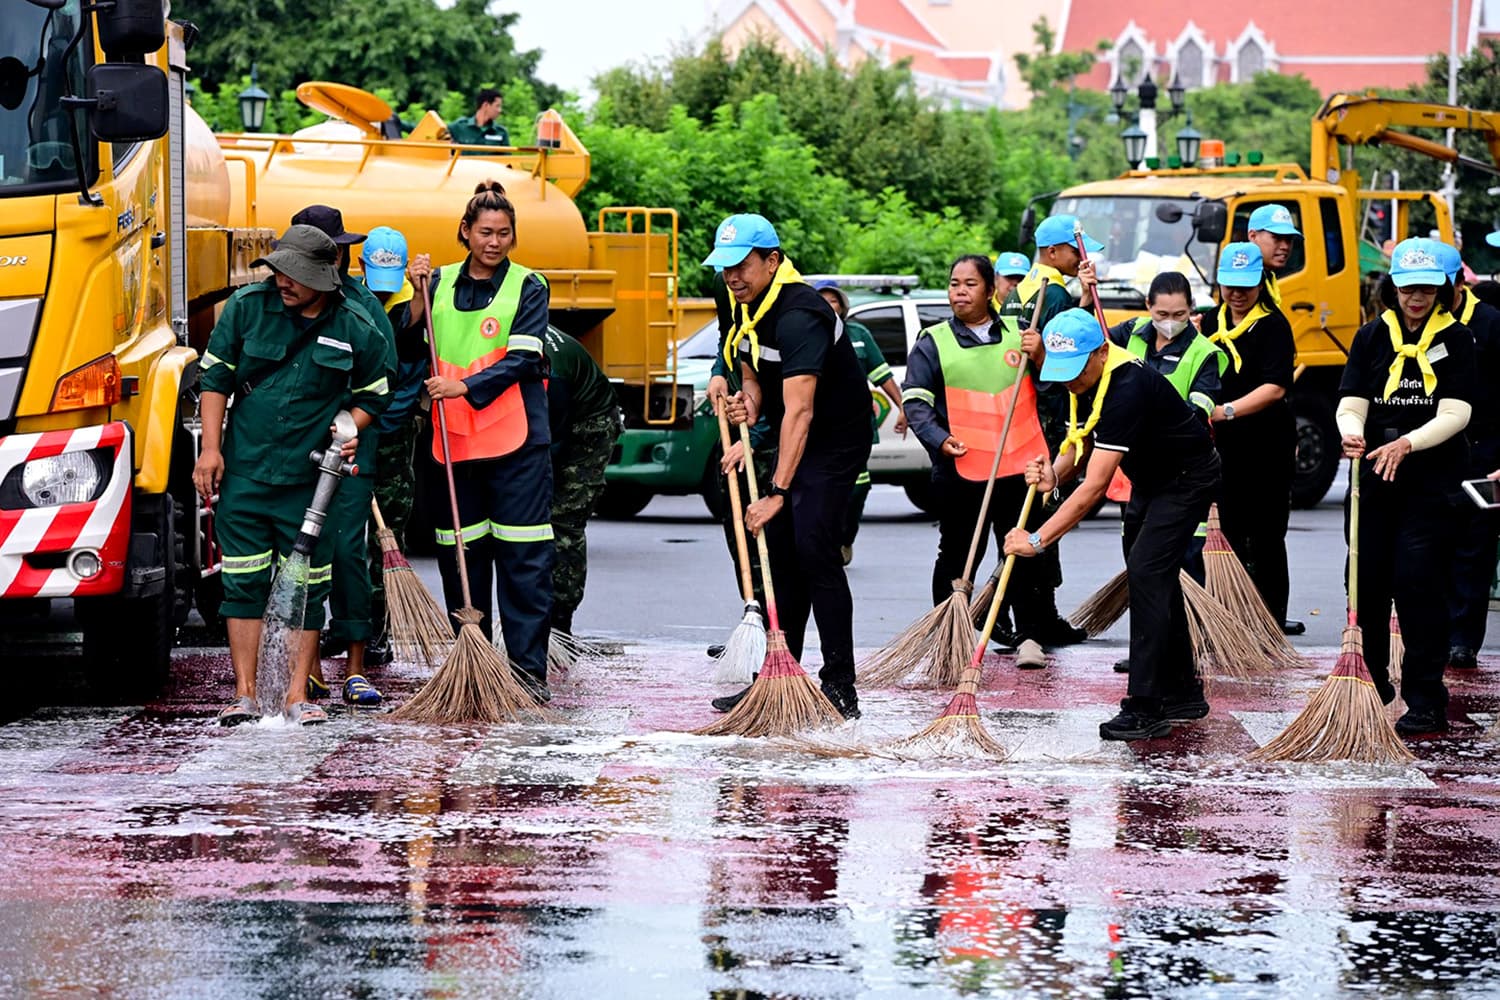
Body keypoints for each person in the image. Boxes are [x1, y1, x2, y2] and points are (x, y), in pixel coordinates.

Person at [193, 225, 392, 726]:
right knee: (243, 583)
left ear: (325, 279)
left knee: (308, 587)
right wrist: (211, 450)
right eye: (280, 270)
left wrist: (348, 426)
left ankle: (297, 698)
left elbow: (375, 394)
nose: (284, 281)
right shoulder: (246, 307)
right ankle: (246, 693)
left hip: (311, 484)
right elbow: (215, 378)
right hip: (246, 472)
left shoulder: (355, 325)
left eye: (296, 276)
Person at [1003, 309, 1222, 740]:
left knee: (1146, 574)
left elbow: (1095, 487)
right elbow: (1080, 440)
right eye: (1061, 371)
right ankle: (1182, 690)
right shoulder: (1084, 382)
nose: (1069, 381)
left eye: (1076, 370)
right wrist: (1054, 474)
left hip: (1187, 478)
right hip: (1153, 478)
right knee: (1152, 576)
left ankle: (1145, 705)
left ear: (1102, 352)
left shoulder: (1127, 386)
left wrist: (1037, 539)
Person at [708, 213, 872, 719]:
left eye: (742, 266)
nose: (732, 276)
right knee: (778, 556)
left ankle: (840, 685)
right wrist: (746, 401)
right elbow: (750, 366)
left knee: (813, 547)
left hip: (835, 437)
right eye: (725, 267)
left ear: (772, 260)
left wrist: (777, 491)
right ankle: (778, 680)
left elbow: (801, 409)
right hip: (793, 431)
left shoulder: (802, 313)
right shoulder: (736, 297)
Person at [405, 180, 555, 702]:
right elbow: (407, 346)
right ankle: (473, 668)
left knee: (524, 557)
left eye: (505, 233)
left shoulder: (529, 286)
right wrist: (416, 298)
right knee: (461, 555)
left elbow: (524, 358)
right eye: (485, 232)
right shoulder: (437, 282)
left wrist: (462, 386)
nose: (495, 242)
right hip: (454, 443)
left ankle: (527, 676)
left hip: (516, 442)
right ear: (465, 233)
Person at [1336, 238, 1475, 734]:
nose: (1415, 298)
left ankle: (1424, 697)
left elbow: (1457, 412)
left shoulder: (1457, 340)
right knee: (1365, 583)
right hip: (1373, 478)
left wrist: (1408, 444)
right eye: (1407, 288)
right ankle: (1371, 683)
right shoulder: (1371, 336)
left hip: (1430, 484)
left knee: (1419, 587)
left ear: (1441, 289)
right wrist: (1350, 431)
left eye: (1425, 288)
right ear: (1392, 287)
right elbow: (1352, 399)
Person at [902, 255, 1052, 669]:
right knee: (956, 552)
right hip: (960, 468)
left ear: (991, 290)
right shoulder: (933, 341)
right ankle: (947, 634)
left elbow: (1055, 390)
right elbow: (915, 401)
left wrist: (1040, 358)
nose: (960, 292)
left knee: (1020, 549)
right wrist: (938, 438)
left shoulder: (1021, 337)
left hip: (1018, 466)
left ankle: (1029, 636)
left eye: (970, 284)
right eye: (954, 284)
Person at [290, 206, 398, 706]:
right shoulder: (275, 304)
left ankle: (354, 667)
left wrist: (349, 425)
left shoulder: (362, 308)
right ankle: (306, 669)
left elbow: (382, 382)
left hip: (352, 450)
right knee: (298, 554)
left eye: (338, 249)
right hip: (291, 451)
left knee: (348, 554)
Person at [1200, 242, 1300, 634]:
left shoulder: (1274, 326)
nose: (1237, 294)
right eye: (1229, 285)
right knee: (1227, 537)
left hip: (1266, 449)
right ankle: (1229, 620)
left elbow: (1275, 387)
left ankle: (1270, 623)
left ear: (1261, 282)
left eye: (1245, 285)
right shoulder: (1209, 323)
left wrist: (1226, 411)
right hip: (1221, 452)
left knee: (1267, 538)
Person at [358, 227, 427, 669]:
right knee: (343, 537)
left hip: (396, 433)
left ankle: (379, 628)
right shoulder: (352, 303)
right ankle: (347, 626)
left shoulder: (410, 303)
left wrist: (422, 289)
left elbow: (412, 324)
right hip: (354, 432)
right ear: (362, 268)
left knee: (387, 538)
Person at [1432, 241, 1500, 671]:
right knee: (1434, 546)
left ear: (1458, 283)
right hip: (1433, 454)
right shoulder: (1414, 327)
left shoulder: (1491, 324)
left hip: (1484, 451)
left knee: (1474, 552)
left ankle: (1463, 640)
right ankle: (1434, 634)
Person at [813, 279, 904, 565]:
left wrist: (904, 407)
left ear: (842, 305)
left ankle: (845, 537)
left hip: (855, 426)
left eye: (834, 300)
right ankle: (822, 543)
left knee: (858, 487)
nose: (829, 306)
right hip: (816, 425)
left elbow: (882, 375)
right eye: (822, 300)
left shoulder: (859, 334)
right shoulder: (805, 334)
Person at [543, 327, 623, 636]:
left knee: (563, 520)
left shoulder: (553, 365)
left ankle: (561, 622)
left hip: (590, 428)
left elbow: (553, 441)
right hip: (553, 420)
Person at [1245, 204, 1302, 307]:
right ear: (1253, 236)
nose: (1285, 246)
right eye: (1277, 238)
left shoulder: (1268, 276)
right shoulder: (1244, 283)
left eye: (1289, 239)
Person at [445, 88, 510, 151]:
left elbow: (507, 160)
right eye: (497, 106)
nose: (500, 110)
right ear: (486, 105)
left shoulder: (501, 132)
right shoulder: (458, 127)